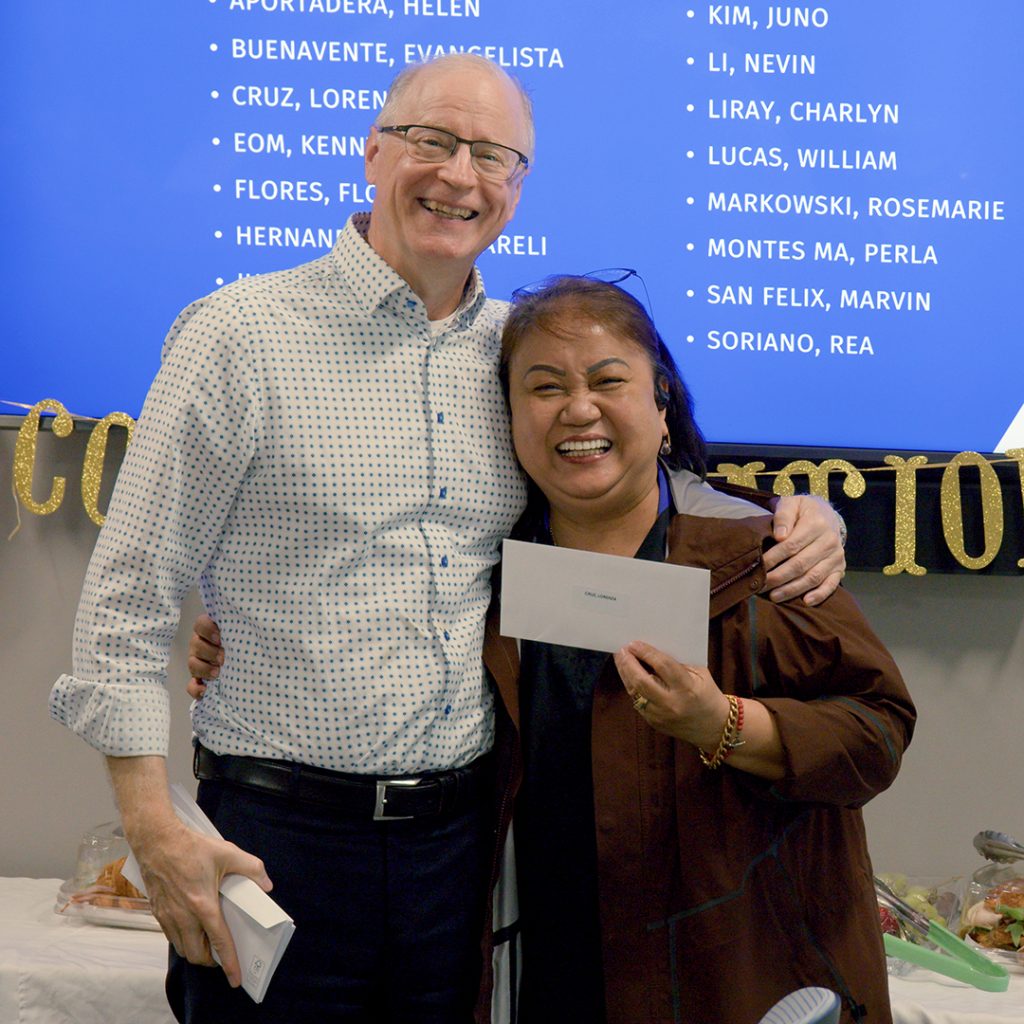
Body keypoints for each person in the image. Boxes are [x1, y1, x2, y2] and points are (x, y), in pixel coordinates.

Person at [52, 55, 846, 1024]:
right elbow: (128, 597)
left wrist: (810, 514)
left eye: (492, 155)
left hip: (461, 851)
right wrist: (153, 825)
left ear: (518, 185)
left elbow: (631, 478)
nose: (459, 175)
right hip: (279, 840)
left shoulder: (519, 356)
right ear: (372, 152)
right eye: (432, 141)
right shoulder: (241, 334)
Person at [490, 277, 913, 1023]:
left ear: (662, 406)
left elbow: (877, 733)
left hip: (735, 977)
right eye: (545, 387)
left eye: (608, 381)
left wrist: (725, 724)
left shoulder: (763, 557)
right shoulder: (481, 578)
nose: (578, 409)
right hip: (542, 977)